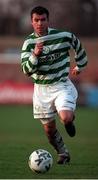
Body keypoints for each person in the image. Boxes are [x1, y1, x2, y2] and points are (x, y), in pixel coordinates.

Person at [21, 6, 87, 164]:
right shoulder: (29, 43)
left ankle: (69, 119)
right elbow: (26, 70)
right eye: (36, 20)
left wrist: (79, 66)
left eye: (43, 19)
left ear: (48, 20)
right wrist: (35, 55)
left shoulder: (63, 36)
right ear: (32, 22)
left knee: (65, 117)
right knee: (49, 131)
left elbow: (78, 47)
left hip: (61, 85)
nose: (40, 23)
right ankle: (63, 153)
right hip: (41, 91)